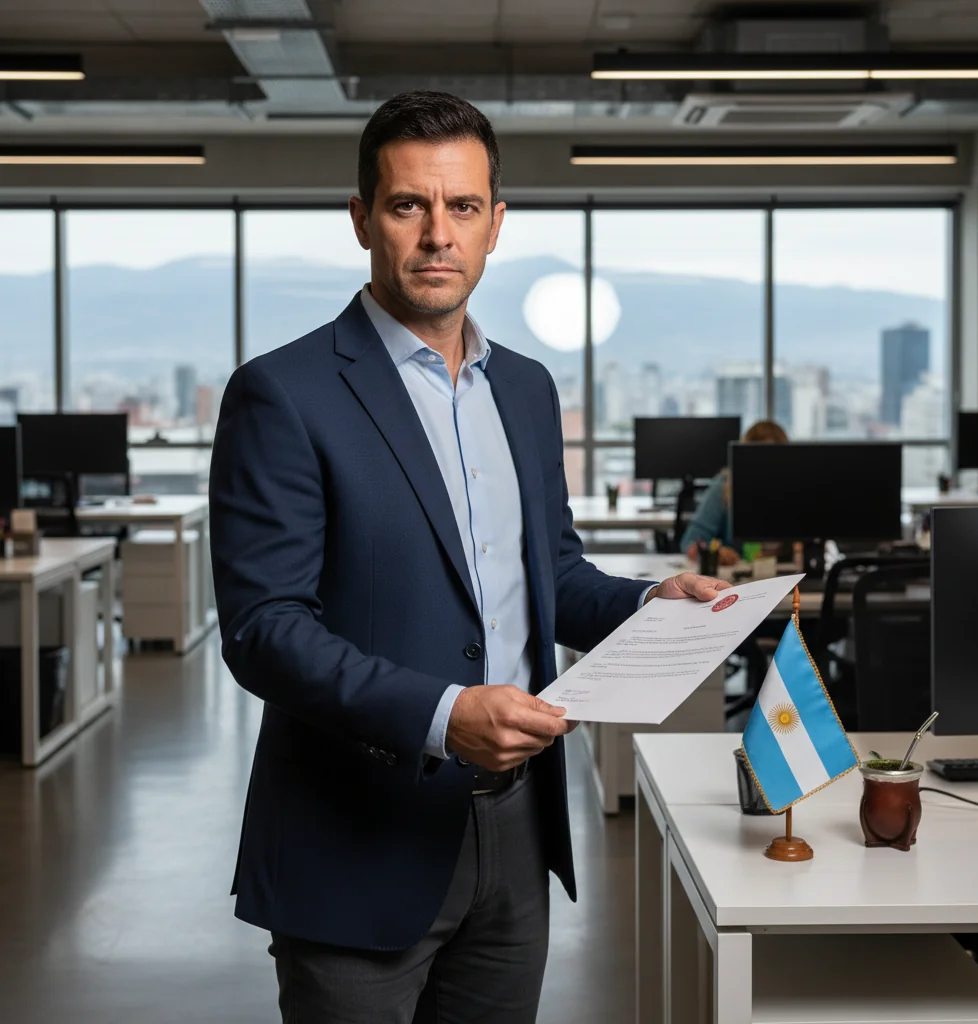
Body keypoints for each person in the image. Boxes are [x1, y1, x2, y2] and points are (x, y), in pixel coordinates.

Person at [208, 91, 730, 1024]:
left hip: (515, 830)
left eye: (463, 207)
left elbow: (550, 578)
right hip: (357, 839)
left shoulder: (525, 389)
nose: (437, 234)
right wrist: (444, 716)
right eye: (408, 205)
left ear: (496, 224)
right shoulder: (282, 393)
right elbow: (264, 630)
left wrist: (653, 604)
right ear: (362, 219)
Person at [680, 419, 789, 565]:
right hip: (739, 572)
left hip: (789, 571)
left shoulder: (795, 490)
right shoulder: (724, 485)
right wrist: (717, 553)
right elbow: (691, 542)